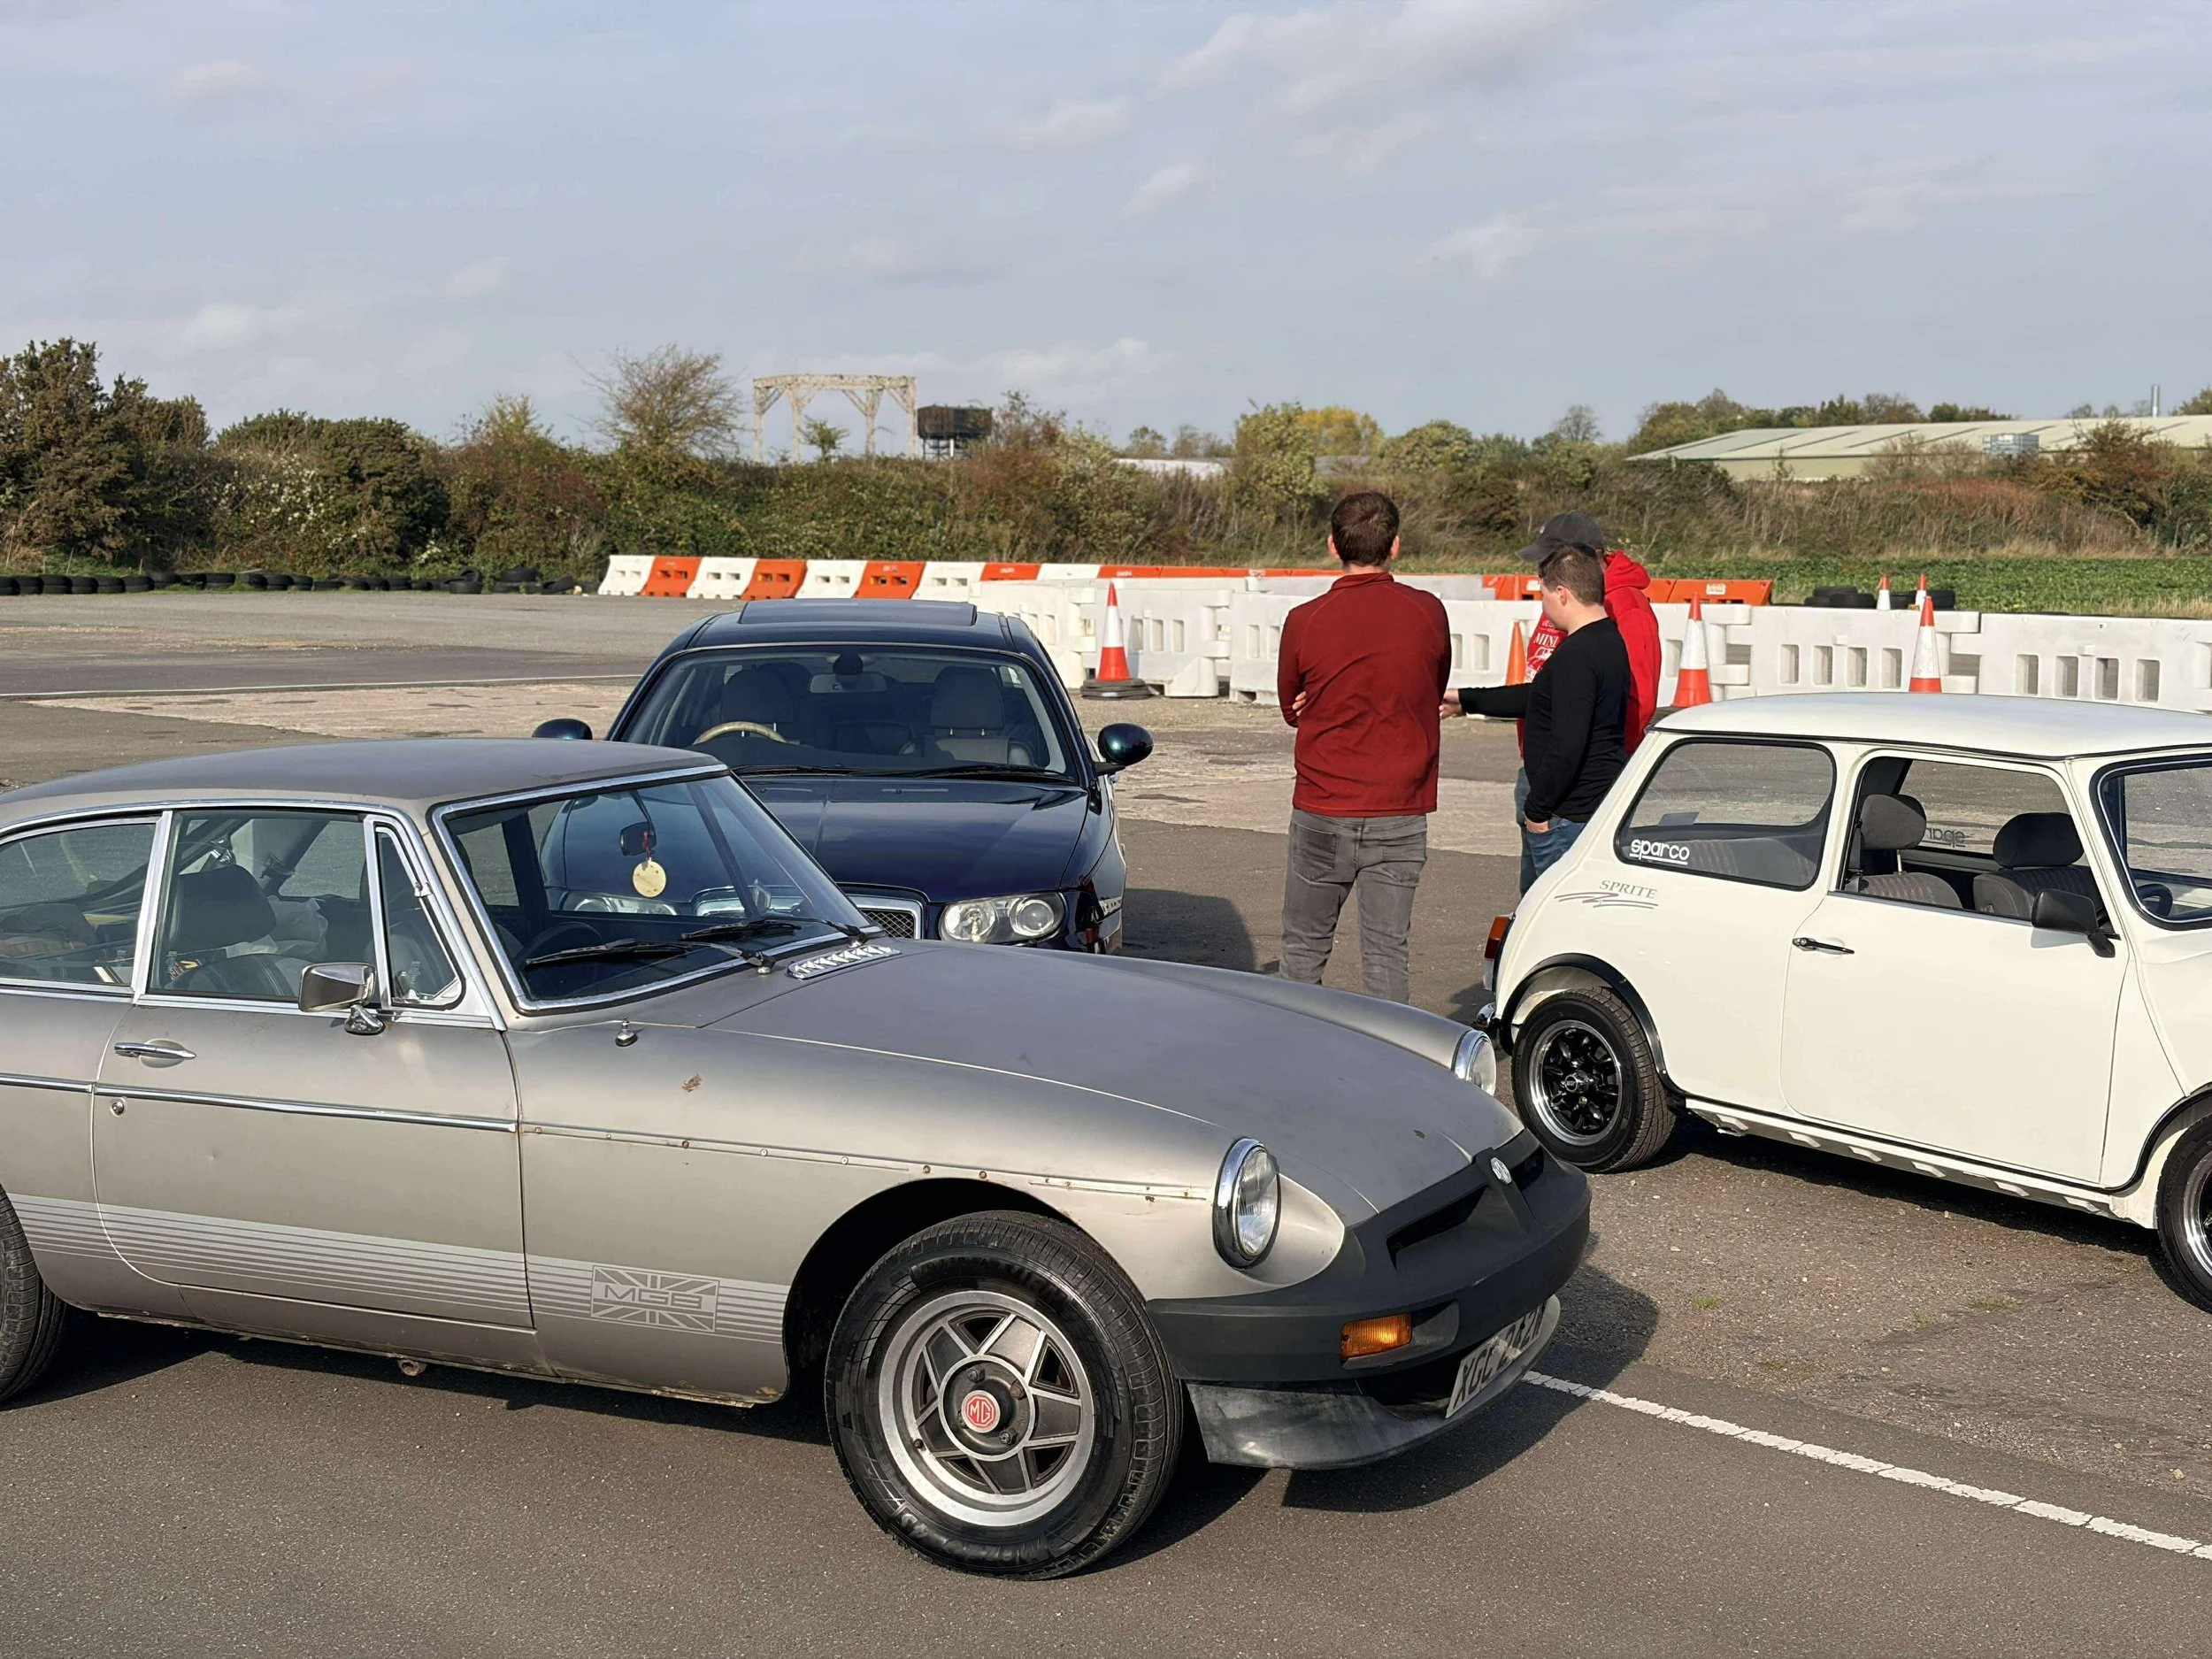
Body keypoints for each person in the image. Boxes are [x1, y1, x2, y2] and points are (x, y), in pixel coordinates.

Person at [1275, 490, 1451, 1003]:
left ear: (1333, 545)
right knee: (1386, 954)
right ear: (1394, 546)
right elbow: (1433, 685)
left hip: (1324, 804)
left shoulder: (1306, 618)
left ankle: (1292, 1041)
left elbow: (1290, 706)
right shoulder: (1427, 611)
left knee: (1304, 949)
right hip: (1400, 806)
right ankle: (1386, 1049)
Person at [1443, 511, 1659, 890]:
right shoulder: (1587, 627)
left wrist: (1543, 804)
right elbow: (1548, 693)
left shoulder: (1616, 616)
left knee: (1551, 903)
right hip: (1548, 777)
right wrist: (1468, 700)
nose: (1541, 575)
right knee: (1536, 898)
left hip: (1567, 793)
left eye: (1548, 567)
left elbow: (1595, 723)